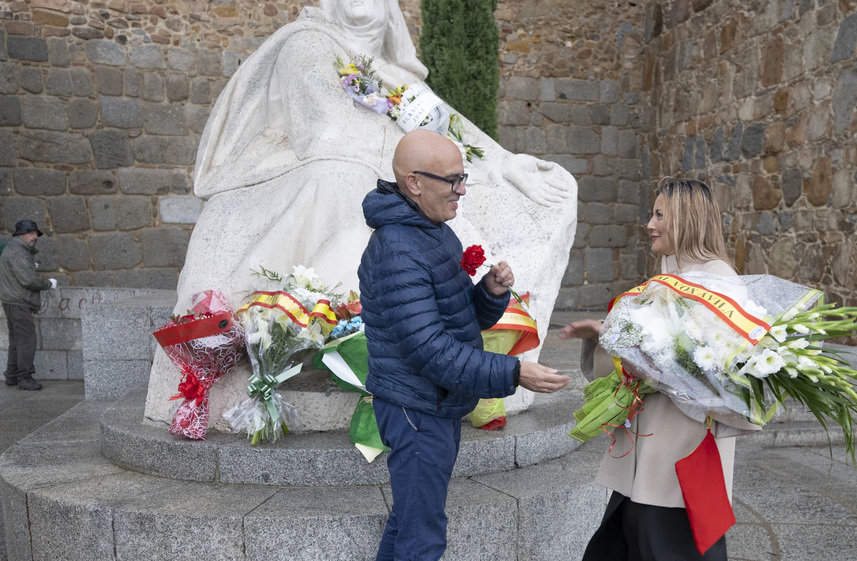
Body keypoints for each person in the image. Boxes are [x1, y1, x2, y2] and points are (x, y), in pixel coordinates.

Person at [144, 0, 576, 430]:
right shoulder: (307, 45)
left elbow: (448, 130)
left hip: (404, 189)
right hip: (332, 172)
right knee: (340, 177)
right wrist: (404, 153)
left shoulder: (397, 75)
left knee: (522, 198)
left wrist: (501, 162)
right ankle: (323, 330)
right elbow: (324, 131)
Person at [356, 129, 570, 561]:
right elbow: (430, 352)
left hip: (430, 404)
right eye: (452, 179)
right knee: (422, 532)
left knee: (408, 517)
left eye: (462, 177)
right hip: (416, 408)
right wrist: (513, 371)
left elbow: (453, 323)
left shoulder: (430, 231)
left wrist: (489, 294)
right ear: (413, 183)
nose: (462, 190)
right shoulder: (399, 249)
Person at [559, 178, 758, 561]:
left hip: (686, 437)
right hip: (646, 431)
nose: (649, 224)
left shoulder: (722, 287)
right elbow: (641, 352)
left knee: (676, 540)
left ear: (687, 221)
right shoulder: (667, 277)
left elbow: (723, 374)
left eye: (659, 216)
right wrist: (602, 339)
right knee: (633, 529)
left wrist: (652, 360)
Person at [0, 220, 57, 391]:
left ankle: (12, 375)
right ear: (20, 235)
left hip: (11, 300)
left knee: (16, 340)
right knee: (27, 339)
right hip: (18, 301)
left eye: (36, 234)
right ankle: (25, 378)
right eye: (31, 233)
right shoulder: (18, 252)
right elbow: (28, 279)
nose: (35, 236)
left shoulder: (13, 249)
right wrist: (47, 283)